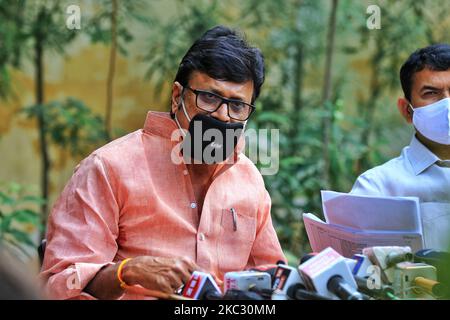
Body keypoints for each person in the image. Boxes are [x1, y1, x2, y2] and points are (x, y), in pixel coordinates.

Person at [39, 25, 286, 300]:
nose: (223, 116)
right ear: (177, 96)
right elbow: (58, 286)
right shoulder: (108, 168)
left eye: (237, 106)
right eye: (209, 98)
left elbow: (273, 278)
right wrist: (127, 271)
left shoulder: (248, 179)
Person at [350, 44, 450, 251]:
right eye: (431, 93)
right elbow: (355, 270)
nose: (446, 103)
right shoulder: (376, 188)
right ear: (407, 110)